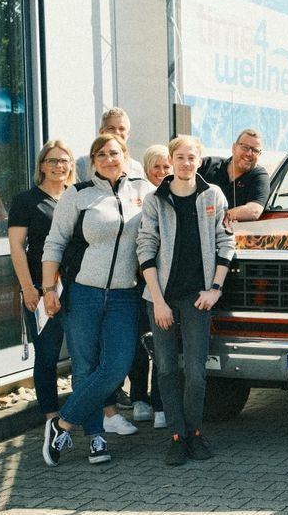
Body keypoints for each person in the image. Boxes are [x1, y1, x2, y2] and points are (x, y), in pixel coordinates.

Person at [39, 134, 155, 466]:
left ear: (125, 155)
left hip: (124, 295)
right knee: (86, 366)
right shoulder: (78, 195)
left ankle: (60, 423)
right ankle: (96, 438)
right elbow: (55, 243)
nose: (107, 158)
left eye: (113, 153)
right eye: (99, 154)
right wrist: (49, 290)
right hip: (83, 293)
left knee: (117, 365)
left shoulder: (142, 191)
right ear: (92, 161)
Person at [138, 135, 235, 465]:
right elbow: (145, 249)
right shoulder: (155, 200)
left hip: (197, 298)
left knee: (195, 372)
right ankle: (177, 436)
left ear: (199, 160)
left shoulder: (213, 196)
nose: (185, 163)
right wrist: (157, 299)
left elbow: (227, 243)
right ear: (171, 159)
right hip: (160, 296)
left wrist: (215, 289)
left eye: (191, 157)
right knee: (165, 368)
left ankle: (194, 433)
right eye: (179, 157)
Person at [7, 141, 76, 421]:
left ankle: (86, 412)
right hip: (40, 288)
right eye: (51, 161)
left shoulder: (77, 197)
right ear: (41, 166)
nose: (58, 166)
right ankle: (51, 417)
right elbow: (16, 247)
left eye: (63, 160)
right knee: (47, 356)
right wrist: (27, 288)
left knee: (85, 355)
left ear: (71, 165)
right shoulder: (26, 201)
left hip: (77, 288)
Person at [128, 144, 173, 430]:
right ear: (146, 169)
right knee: (136, 343)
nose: (161, 172)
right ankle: (138, 398)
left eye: (166, 166)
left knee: (161, 344)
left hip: (165, 282)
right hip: (136, 280)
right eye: (155, 166)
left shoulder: (176, 194)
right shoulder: (138, 198)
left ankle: (160, 403)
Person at [198, 128, 270, 222]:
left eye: (255, 150)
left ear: (259, 154)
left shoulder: (259, 175)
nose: (249, 153)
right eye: (245, 147)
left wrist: (214, 218)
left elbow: (254, 211)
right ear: (233, 147)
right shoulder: (207, 165)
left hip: (234, 234)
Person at [74, 107, 145, 182]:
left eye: (121, 129)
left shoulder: (136, 168)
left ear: (128, 134)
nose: (117, 132)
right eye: (111, 128)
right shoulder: (83, 164)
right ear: (101, 132)